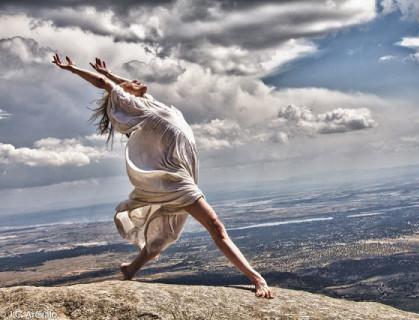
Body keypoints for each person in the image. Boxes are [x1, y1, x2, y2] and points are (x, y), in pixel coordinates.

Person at [52, 54, 274, 299]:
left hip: (181, 173)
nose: (135, 81)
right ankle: (256, 278)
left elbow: (125, 84)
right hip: (175, 179)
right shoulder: (136, 106)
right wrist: (73, 69)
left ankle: (131, 268)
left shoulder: (151, 103)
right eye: (129, 84)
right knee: (216, 227)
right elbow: (108, 87)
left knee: (167, 233)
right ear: (126, 96)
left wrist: (111, 74)